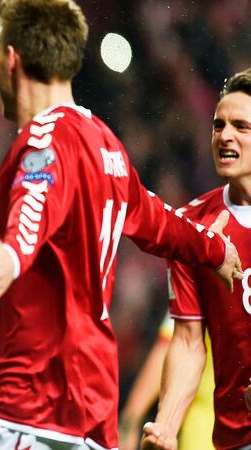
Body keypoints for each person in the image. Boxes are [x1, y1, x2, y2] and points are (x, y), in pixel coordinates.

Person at [0, 1, 242, 448]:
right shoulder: (105, 143)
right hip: (92, 408)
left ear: (12, 58)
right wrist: (214, 248)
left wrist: (12, 255)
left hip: (37, 407)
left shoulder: (45, 138)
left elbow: (36, 201)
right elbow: (158, 221)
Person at [141, 68, 251, 450]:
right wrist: (166, 425)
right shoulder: (192, 227)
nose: (224, 136)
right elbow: (188, 342)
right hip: (235, 438)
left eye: (241, 126)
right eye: (219, 125)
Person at [118, 313, 214, 450]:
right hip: (206, 430)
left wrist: (130, 419)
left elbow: (173, 345)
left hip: (205, 430)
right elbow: (182, 343)